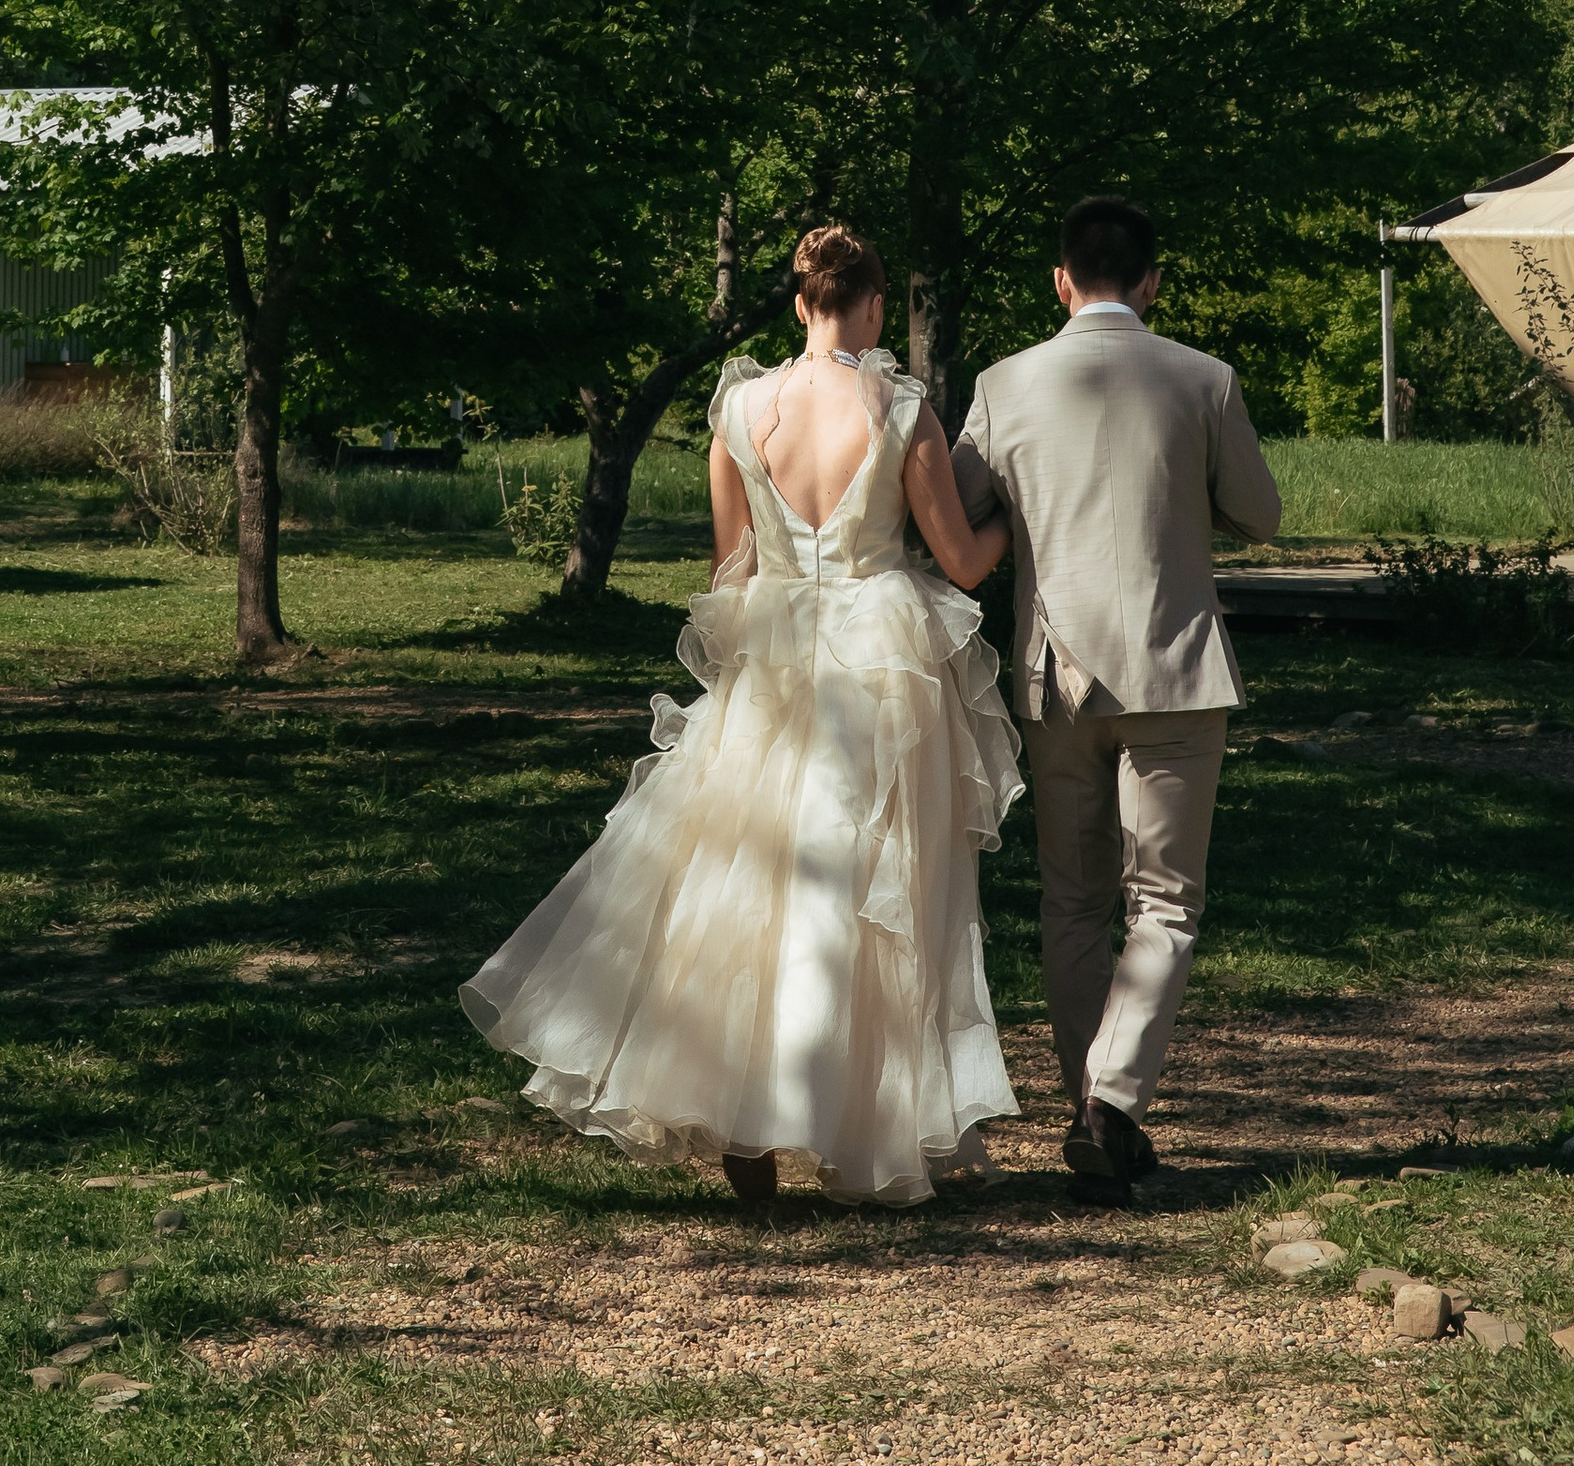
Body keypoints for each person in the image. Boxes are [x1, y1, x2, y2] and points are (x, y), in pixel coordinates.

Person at [459, 224, 1022, 1210]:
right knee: (874, 892)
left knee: (744, 884)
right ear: (874, 304)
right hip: (880, 659)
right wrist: (1013, 509)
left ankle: (746, 1128)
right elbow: (964, 565)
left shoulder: (738, 408)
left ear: (799, 303)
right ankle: (860, 1136)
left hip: (771, 652)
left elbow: (732, 572)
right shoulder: (899, 407)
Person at [953, 191, 1282, 1198]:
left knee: (1071, 902)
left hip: (1058, 674)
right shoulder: (1202, 380)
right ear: (1149, 282)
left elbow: (959, 512)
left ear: (1060, 280)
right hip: (1176, 668)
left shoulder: (1004, 386)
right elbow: (1260, 514)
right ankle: (1111, 1103)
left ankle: (1090, 1108)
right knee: (1164, 905)